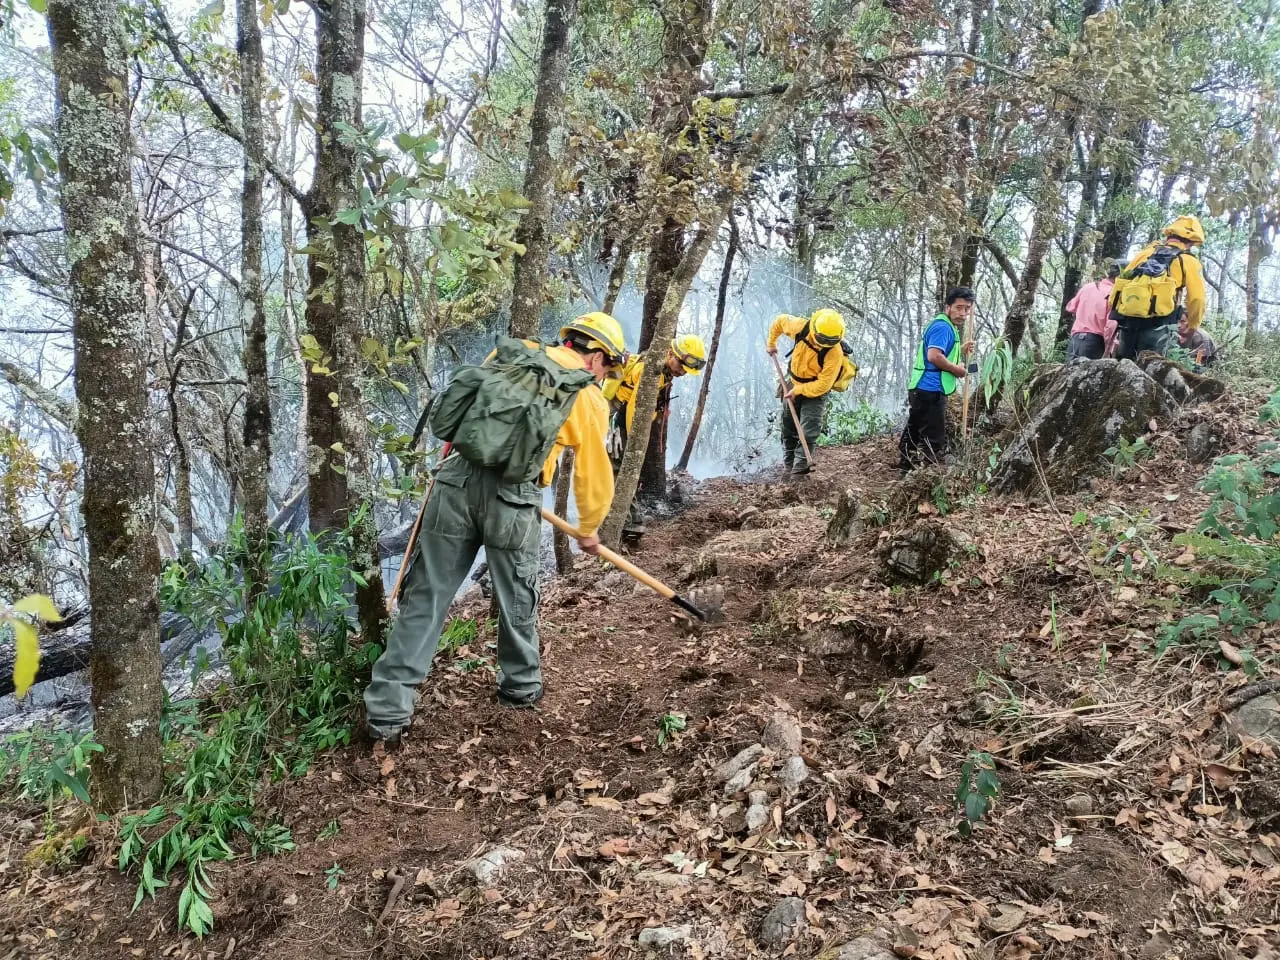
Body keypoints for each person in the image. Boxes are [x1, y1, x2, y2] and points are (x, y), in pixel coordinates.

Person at [363, 312, 627, 742]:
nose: (606, 373)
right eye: (609, 365)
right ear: (595, 355)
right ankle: (520, 689)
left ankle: (386, 713)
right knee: (517, 596)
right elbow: (593, 475)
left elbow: (464, 410)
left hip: (453, 482)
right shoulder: (587, 396)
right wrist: (590, 528)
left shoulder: (510, 354)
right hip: (513, 499)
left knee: (426, 596)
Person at [603, 334, 707, 541]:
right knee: (618, 469)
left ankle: (627, 520)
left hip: (621, 419)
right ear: (671, 354)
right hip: (617, 419)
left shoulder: (663, 371)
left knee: (618, 469)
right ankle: (628, 523)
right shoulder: (648, 371)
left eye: (687, 369)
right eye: (682, 366)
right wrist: (635, 442)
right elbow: (634, 409)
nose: (683, 372)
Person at [898, 287, 976, 473]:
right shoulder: (943, 327)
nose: (963, 313)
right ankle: (925, 474)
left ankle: (906, 465)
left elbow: (942, 353)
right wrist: (957, 370)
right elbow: (934, 356)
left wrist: (961, 350)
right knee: (933, 435)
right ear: (948, 307)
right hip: (930, 389)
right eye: (958, 307)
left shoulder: (947, 327)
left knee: (915, 428)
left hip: (922, 387)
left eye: (967, 309)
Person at [1110, 215, 1207, 361]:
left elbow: (1122, 282)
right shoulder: (1188, 261)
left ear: (1169, 235)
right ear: (1192, 241)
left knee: (1123, 367)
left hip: (1128, 322)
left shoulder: (1144, 254)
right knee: (1152, 370)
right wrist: (1192, 326)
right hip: (1160, 326)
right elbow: (1197, 298)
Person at [766, 308, 846, 475]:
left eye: (828, 341)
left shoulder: (835, 352)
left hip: (815, 393)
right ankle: (788, 467)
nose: (822, 343)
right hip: (793, 383)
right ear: (814, 330)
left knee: (808, 431)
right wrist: (772, 343)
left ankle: (799, 474)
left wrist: (799, 390)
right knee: (788, 428)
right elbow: (780, 321)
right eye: (820, 339)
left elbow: (823, 385)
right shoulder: (801, 327)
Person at [1065, 262, 1122, 360]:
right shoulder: (1114, 294)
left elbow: (1070, 307)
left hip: (1075, 340)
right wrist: (1108, 348)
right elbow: (1111, 325)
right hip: (1095, 343)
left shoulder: (1088, 287)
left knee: (1068, 374)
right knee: (1088, 375)